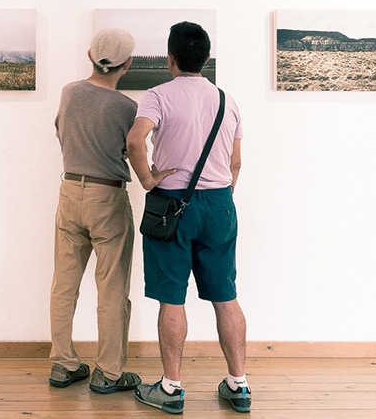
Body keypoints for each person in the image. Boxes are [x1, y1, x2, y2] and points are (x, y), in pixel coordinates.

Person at [126, 21, 251, 414]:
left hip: (171, 204)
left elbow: (134, 139)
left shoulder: (158, 95)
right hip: (219, 204)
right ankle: (239, 385)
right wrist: (220, 193)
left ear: (170, 57)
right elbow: (236, 161)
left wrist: (147, 179)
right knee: (226, 297)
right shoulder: (225, 100)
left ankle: (171, 388)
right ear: (207, 58)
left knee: (172, 298)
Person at [49, 28, 143, 394]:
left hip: (70, 191)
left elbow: (61, 132)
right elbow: (130, 150)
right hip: (108, 198)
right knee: (112, 288)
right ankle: (109, 372)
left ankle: (62, 364)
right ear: (129, 64)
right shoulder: (127, 107)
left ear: (90, 54)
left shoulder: (69, 92)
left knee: (64, 285)